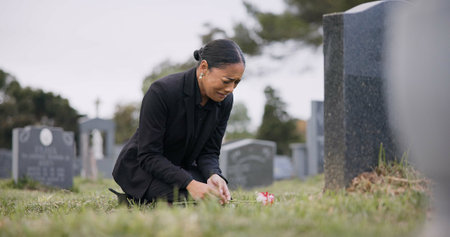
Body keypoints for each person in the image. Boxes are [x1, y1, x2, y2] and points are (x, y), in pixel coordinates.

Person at [112, 39, 245, 204]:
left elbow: (209, 152)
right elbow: (149, 155)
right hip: (143, 169)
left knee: (217, 197)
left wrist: (213, 174)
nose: (230, 89)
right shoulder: (162, 92)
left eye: (236, 82)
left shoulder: (224, 100)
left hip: (180, 169)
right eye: (226, 81)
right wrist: (189, 183)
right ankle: (136, 196)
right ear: (204, 67)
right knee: (190, 200)